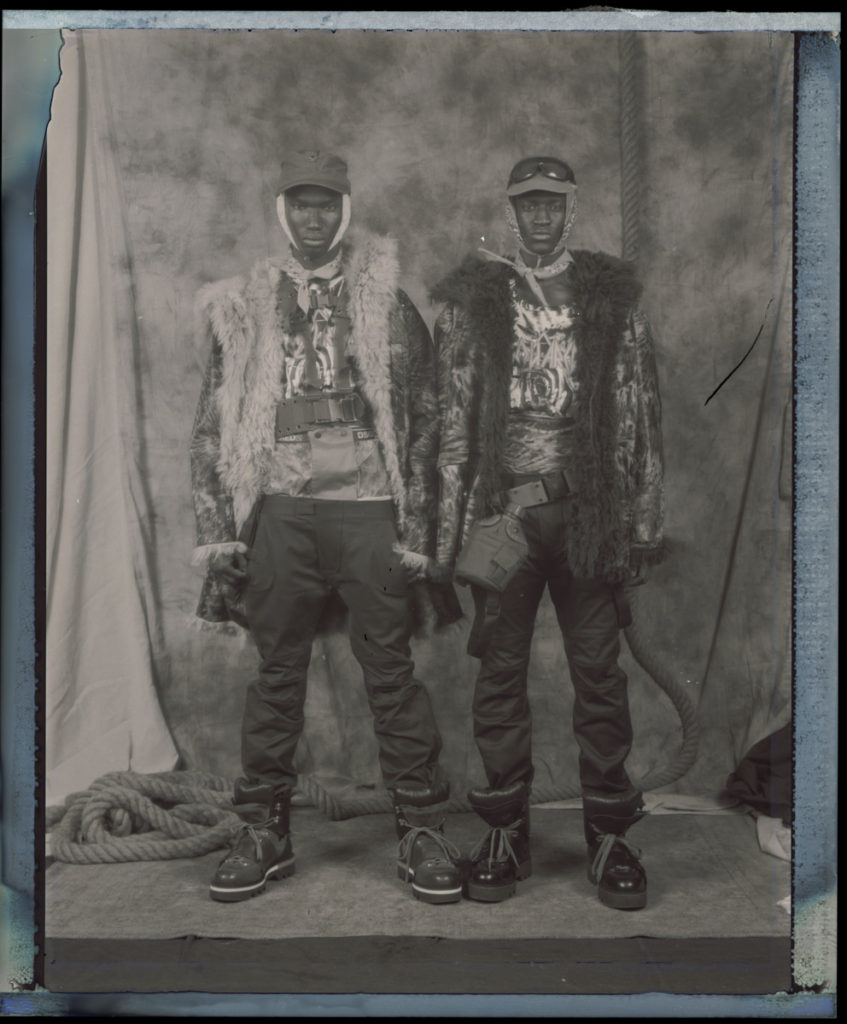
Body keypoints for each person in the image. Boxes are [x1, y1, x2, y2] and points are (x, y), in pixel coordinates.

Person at [190, 149, 462, 905]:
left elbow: (428, 421)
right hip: (281, 506)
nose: (314, 217)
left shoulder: (386, 302)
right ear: (283, 210)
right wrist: (221, 530)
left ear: (344, 210)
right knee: (277, 672)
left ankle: (420, 828)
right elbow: (210, 427)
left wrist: (421, 533)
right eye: (301, 204)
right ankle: (263, 831)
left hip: (369, 505)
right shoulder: (244, 303)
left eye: (327, 204)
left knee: (390, 672)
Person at [430, 155, 665, 909]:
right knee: (498, 674)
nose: (539, 217)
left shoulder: (608, 298)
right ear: (509, 209)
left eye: (551, 205)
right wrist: (449, 533)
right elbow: (453, 426)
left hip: (588, 515)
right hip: (506, 514)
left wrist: (640, 519)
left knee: (599, 675)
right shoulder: (476, 298)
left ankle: (609, 835)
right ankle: (504, 830)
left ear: (570, 209)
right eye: (526, 204)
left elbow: (638, 413)